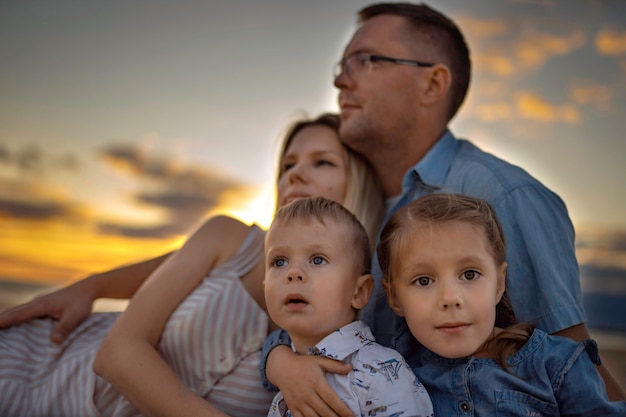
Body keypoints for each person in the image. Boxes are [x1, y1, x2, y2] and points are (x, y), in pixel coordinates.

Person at [262, 2, 624, 415]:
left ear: (432, 84)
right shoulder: (356, 206)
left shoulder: (505, 195)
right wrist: (280, 362)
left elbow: (578, 370)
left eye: (364, 60)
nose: (341, 80)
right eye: (341, 66)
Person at [0, 113, 384, 417]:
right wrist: (92, 285)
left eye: (322, 162)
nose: (296, 173)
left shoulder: (352, 325)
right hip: (36, 369)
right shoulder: (233, 238)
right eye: (288, 164)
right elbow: (115, 353)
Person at [378, 193, 626, 416]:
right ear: (394, 298)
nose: (450, 298)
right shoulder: (387, 374)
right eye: (423, 280)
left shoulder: (555, 365)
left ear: (499, 284)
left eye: (470, 274)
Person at [264, 196, 433, 417]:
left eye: (317, 260)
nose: (293, 273)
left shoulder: (379, 370)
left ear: (359, 292)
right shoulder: (286, 377)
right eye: (279, 261)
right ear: (264, 284)